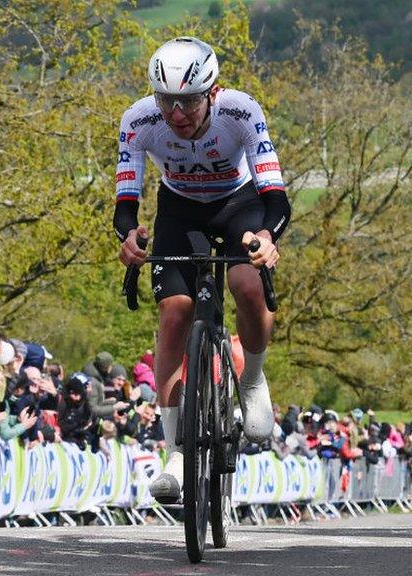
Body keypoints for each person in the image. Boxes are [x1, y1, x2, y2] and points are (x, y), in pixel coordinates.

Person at [113, 36, 292, 503]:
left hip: (239, 204)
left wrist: (268, 238)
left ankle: (251, 378)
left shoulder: (241, 111)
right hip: (179, 210)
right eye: (167, 101)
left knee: (245, 282)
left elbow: (276, 195)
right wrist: (128, 237)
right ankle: (174, 452)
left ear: (213, 93)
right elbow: (125, 203)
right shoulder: (138, 121)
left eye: (188, 101)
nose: (177, 115)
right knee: (174, 313)